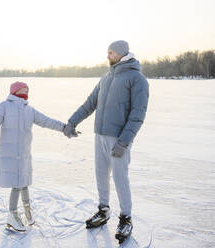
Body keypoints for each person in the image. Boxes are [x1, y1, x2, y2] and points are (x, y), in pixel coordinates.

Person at [63, 40, 149, 243]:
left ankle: (126, 218)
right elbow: (89, 104)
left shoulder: (137, 79)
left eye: (111, 53)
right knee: (101, 175)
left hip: (119, 139)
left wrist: (124, 141)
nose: (107, 56)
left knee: (120, 178)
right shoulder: (106, 78)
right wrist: (71, 122)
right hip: (100, 136)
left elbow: (138, 114)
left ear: (121, 54)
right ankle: (103, 210)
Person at [0, 81, 66, 232]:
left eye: (26, 90)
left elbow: (47, 121)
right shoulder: (5, 106)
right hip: (10, 155)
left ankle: (27, 211)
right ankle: (12, 215)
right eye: (22, 90)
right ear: (14, 91)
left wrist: (64, 128)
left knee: (24, 183)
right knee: (17, 185)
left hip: (24, 155)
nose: (24, 92)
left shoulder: (29, 110)